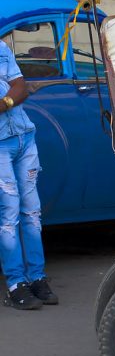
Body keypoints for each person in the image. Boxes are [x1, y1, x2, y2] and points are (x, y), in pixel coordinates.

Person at [0, 41, 58, 310]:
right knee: (9, 213)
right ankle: (15, 283)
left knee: (31, 212)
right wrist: (10, 98)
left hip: (25, 137)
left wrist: (5, 103)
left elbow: (20, 87)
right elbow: (15, 89)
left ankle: (37, 277)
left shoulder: (1, 47)